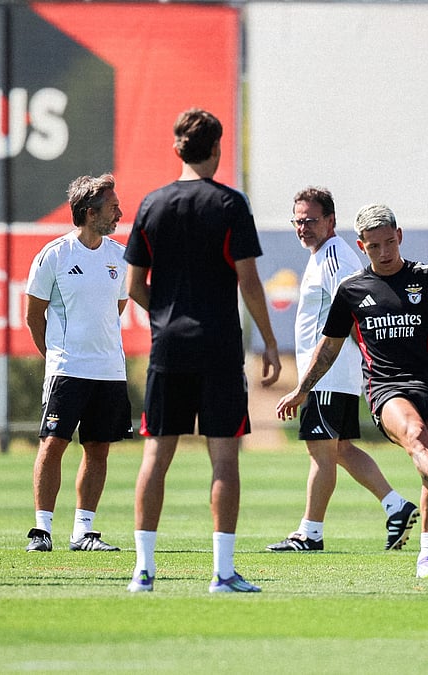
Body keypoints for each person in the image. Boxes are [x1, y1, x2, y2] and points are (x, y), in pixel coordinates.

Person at [276, 204, 428, 580]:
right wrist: (301, 388)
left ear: (400, 236)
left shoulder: (425, 278)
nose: (384, 252)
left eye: (389, 242)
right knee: (415, 437)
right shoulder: (352, 291)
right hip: (386, 388)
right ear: (362, 246)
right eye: (375, 246)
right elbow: (329, 347)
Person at [123, 108, 281, 594]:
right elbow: (249, 281)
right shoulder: (231, 204)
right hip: (217, 345)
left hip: (168, 347)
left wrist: (165, 319)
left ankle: (143, 572)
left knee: (156, 454)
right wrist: (271, 342)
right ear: (216, 149)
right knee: (224, 458)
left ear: (177, 149)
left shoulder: (152, 204)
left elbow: (134, 286)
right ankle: (222, 573)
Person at [266, 187, 419, 553]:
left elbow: (354, 314)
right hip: (334, 374)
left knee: (321, 451)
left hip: (329, 374)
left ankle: (310, 532)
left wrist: (365, 360)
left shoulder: (334, 256)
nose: (303, 227)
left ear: (331, 221)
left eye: (311, 220)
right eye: (298, 221)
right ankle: (395, 506)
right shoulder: (322, 256)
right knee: (340, 449)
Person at [23, 174, 132, 554]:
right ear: (90, 213)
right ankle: (42, 530)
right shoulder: (55, 255)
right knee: (53, 444)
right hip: (67, 370)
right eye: (112, 207)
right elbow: (33, 316)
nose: (119, 212)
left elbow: (116, 309)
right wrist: (55, 357)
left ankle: (83, 531)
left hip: (109, 372)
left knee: (98, 449)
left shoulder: (119, 256)